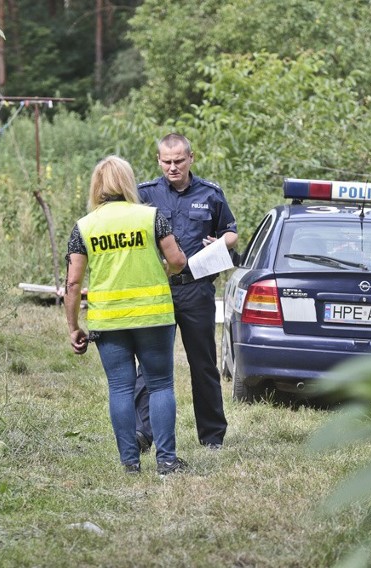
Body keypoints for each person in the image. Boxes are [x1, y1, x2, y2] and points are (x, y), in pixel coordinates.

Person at [64, 155, 188, 475]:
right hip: (153, 317)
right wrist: (166, 270)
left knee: (119, 389)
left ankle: (130, 463)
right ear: (128, 182)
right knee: (160, 386)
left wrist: (73, 326)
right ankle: (166, 460)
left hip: (108, 321)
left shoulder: (85, 226)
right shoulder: (151, 217)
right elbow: (177, 260)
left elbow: (73, 282)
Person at [134, 133, 238, 451]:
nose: (173, 167)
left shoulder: (211, 193)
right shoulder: (144, 194)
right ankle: (143, 433)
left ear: (191, 158)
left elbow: (231, 232)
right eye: (167, 161)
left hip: (196, 290)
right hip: (159, 289)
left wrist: (222, 243)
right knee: (151, 362)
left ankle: (212, 436)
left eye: (179, 160)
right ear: (158, 160)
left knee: (203, 363)